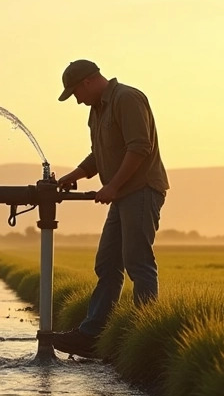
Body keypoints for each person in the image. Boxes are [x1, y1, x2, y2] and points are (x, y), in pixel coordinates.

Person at [49, 59, 169, 358]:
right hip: (123, 194)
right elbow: (100, 153)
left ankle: (146, 335)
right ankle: (92, 335)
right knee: (107, 264)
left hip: (141, 190)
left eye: (75, 92)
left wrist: (113, 186)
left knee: (137, 262)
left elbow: (139, 147)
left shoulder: (126, 98)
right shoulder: (97, 110)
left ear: (88, 82)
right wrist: (75, 174)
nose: (76, 100)